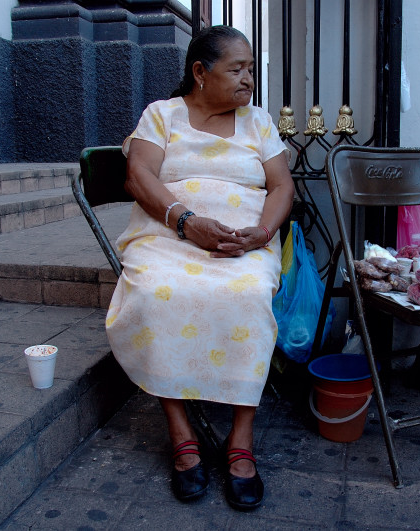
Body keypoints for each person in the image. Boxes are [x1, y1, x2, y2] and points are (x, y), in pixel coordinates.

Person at [105, 25, 294, 509]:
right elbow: (138, 175)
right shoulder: (162, 115)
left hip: (241, 243)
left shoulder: (257, 122)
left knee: (249, 294)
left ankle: (241, 439)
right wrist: (185, 222)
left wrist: (264, 232)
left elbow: (281, 187)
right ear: (199, 72)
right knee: (154, 292)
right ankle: (181, 432)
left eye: (251, 69)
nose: (248, 79)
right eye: (237, 69)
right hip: (168, 236)